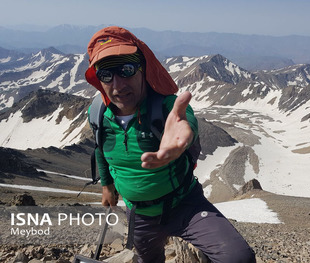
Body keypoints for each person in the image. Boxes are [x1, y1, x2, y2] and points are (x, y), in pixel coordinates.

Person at [85, 26, 256, 263]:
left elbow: (184, 119)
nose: (118, 85)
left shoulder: (165, 106)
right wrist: (107, 186)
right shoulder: (98, 114)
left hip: (185, 205)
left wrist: (187, 133)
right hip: (139, 214)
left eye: (126, 70)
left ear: (142, 69)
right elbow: (100, 150)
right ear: (97, 78)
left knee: (238, 259)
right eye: (106, 74)